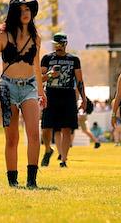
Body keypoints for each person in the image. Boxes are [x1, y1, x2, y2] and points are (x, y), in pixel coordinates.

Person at [0, 0, 43, 188]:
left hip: (29, 87)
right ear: (14, 14)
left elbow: (36, 67)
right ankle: (13, 181)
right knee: (12, 137)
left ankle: (32, 180)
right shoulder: (2, 36)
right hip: (7, 88)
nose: (26, 13)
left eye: (28, 10)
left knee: (34, 134)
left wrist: (42, 92)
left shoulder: (36, 38)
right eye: (21, 11)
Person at [39, 33, 87, 168]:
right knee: (46, 127)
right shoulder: (47, 59)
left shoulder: (74, 60)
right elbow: (39, 79)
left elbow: (79, 81)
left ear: (66, 44)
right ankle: (48, 149)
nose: (58, 47)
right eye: (56, 44)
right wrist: (49, 75)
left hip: (68, 95)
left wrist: (84, 98)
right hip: (51, 94)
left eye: (60, 44)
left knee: (67, 128)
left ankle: (64, 160)